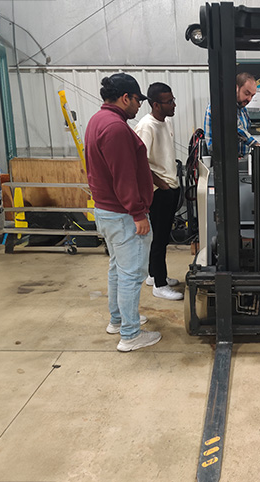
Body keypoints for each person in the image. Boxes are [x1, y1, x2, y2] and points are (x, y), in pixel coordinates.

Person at [84, 73, 161, 352]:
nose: (139, 105)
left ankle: (118, 320)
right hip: (123, 214)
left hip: (106, 210)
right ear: (125, 97)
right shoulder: (115, 128)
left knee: (118, 269)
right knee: (131, 274)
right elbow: (124, 175)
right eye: (138, 99)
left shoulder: (97, 121)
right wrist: (138, 212)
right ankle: (130, 335)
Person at [134, 82, 184, 301]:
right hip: (160, 192)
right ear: (155, 104)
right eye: (169, 101)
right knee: (160, 238)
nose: (173, 104)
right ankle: (160, 286)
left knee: (162, 237)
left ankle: (154, 275)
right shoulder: (147, 126)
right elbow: (139, 162)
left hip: (170, 187)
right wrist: (160, 184)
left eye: (173, 100)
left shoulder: (165, 122)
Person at [204, 72, 260, 158]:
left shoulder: (243, 110)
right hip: (223, 162)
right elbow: (238, 130)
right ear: (236, 88)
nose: (249, 99)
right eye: (247, 93)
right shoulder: (221, 106)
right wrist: (259, 147)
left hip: (239, 160)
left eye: (252, 96)